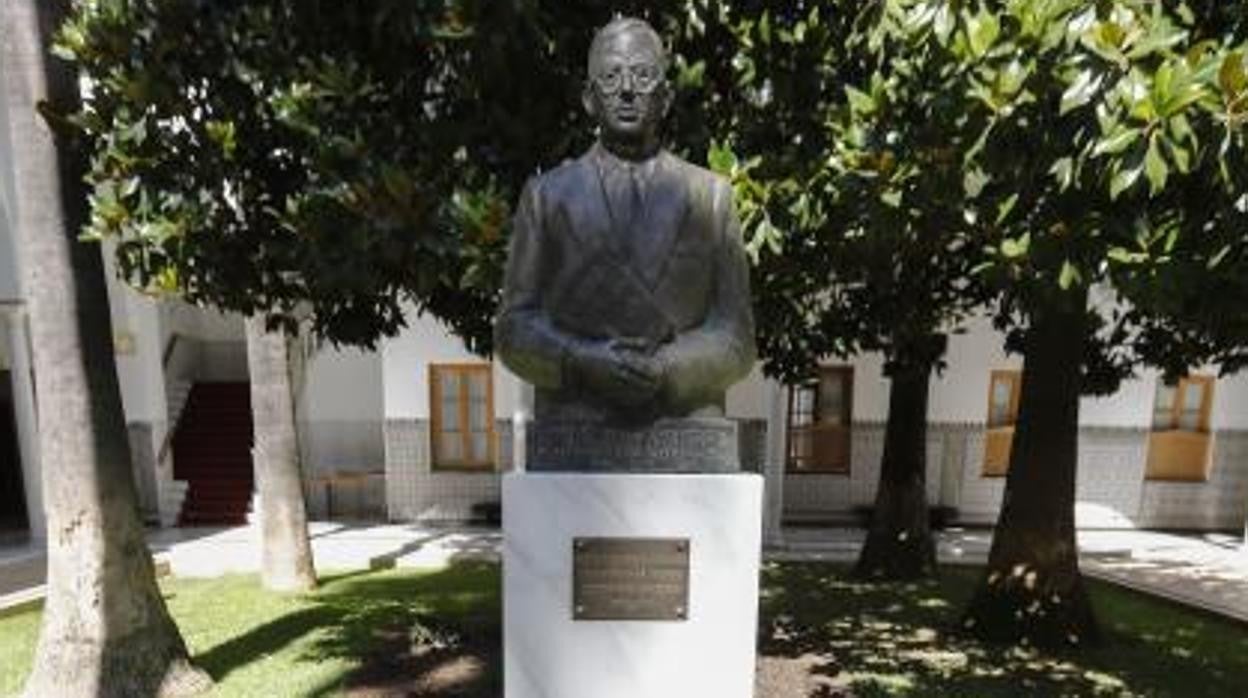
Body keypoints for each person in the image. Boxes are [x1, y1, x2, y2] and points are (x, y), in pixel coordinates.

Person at [495, 16, 755, 422]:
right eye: (612, 77)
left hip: (684, 419)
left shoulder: (712, 197)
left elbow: (737, 336)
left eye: (643, 75)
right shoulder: (547, 197)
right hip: (577, 420)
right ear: (588, 98)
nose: (628, 90)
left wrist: (668, 367)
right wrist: (580, 360)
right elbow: (513, 328)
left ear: (666, 98)